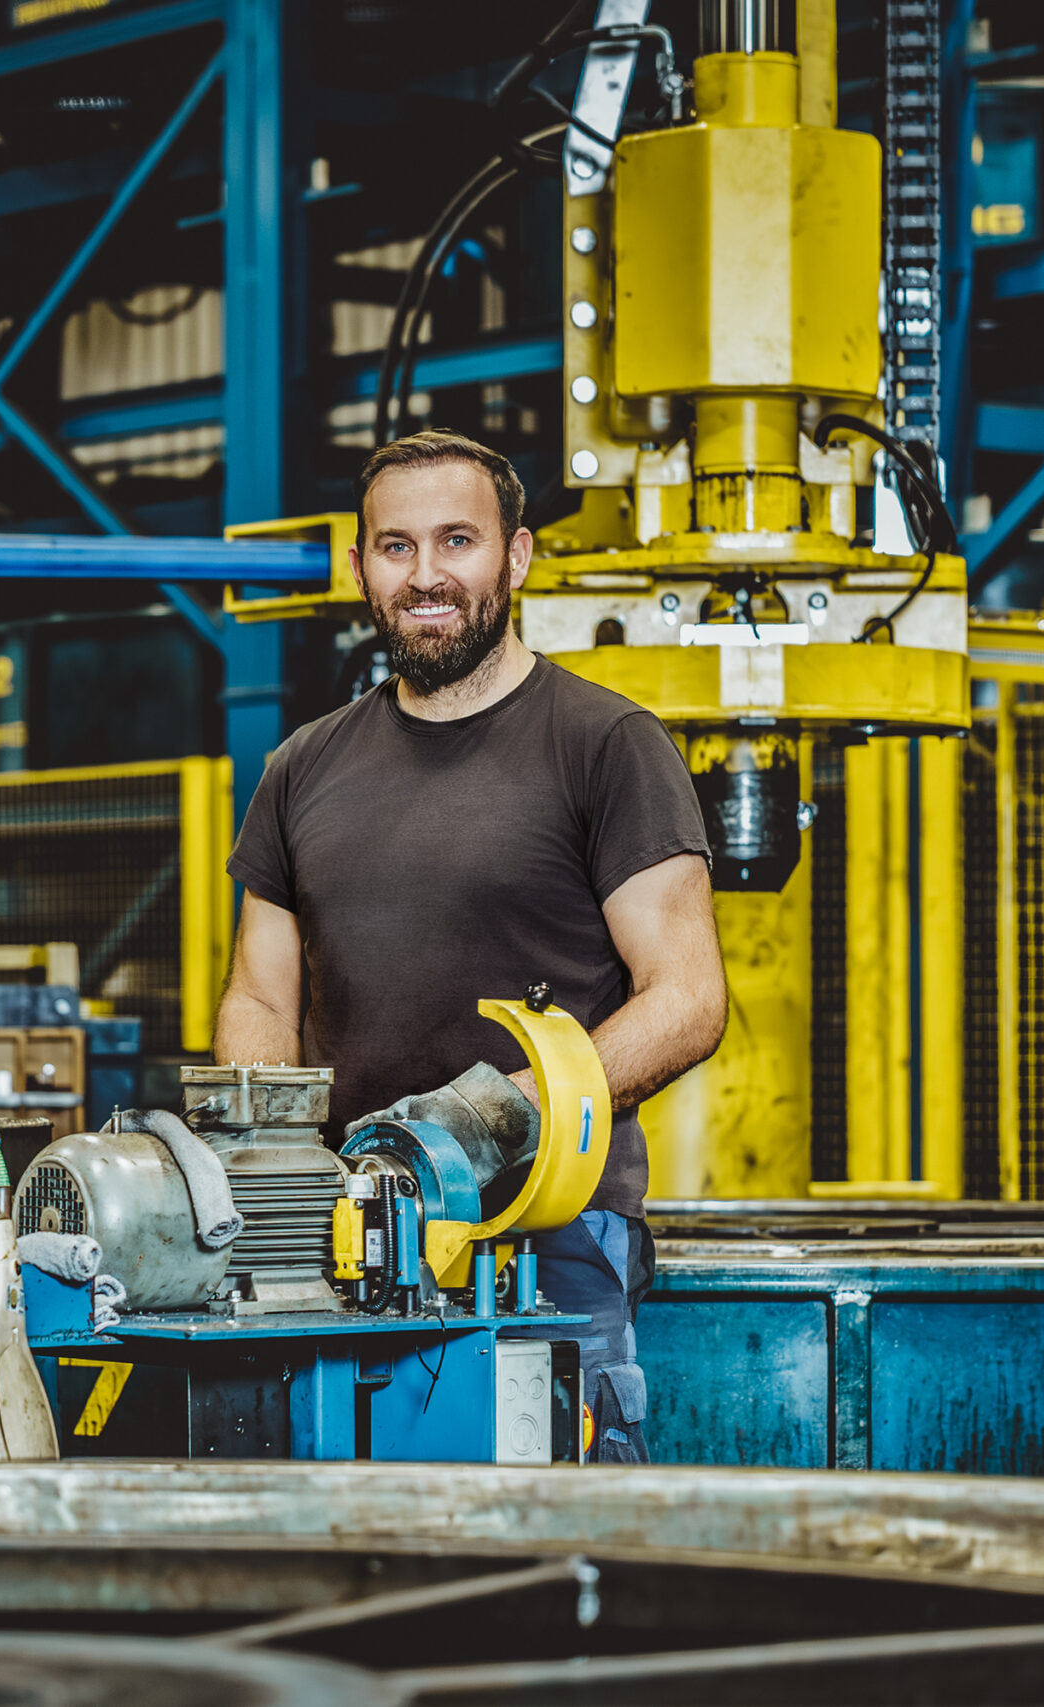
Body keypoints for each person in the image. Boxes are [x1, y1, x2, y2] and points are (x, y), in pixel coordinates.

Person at [216, 428, 729, 1462]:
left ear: (517, 556)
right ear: (359, 567)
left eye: (458, 540)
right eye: (395, 546)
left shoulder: (605, 745)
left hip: (550, 1238)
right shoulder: (300, 768)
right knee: (342, 1513)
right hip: (350, 1235)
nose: (426, 575)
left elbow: (685, 999)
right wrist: (276, 1158)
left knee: (550, 1520)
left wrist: (496, 1120)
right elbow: (259, 997)